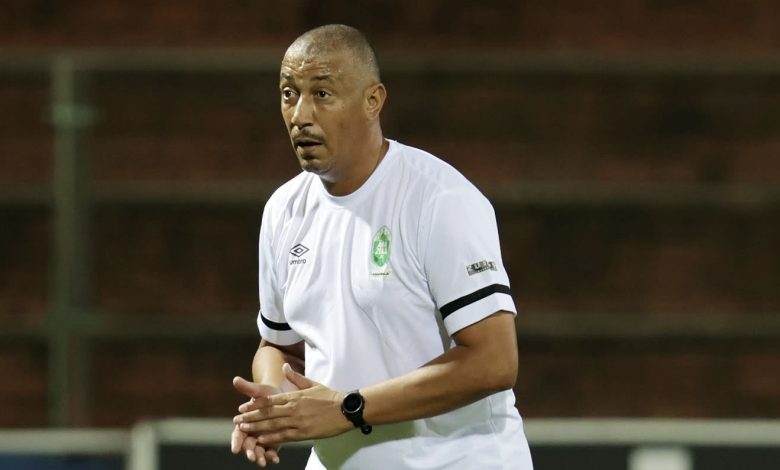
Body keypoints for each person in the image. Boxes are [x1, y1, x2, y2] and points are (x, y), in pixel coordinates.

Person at [230, 24, 534, 470]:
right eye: (289, 94)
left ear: (373, 101)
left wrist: (346, 409)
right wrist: (277, 405)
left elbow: (494, 361)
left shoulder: (439, 200)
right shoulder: (283, 211)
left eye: (322, 94)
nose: (300, 114)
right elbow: (278, 345)